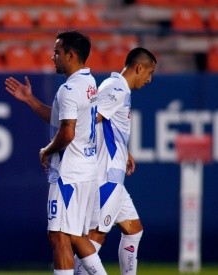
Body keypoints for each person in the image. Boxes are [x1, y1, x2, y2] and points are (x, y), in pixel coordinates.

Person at [5, 31, 106, 275]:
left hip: (69, 174)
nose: (53, 57)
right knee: (74, 236)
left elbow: (67, 133)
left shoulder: (69, 89)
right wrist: (30, 100)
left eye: (57, 52)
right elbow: (62, 121)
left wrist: (46, 151)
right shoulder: (89, 83)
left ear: (71, 55)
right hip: (86, 171)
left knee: (58, 236)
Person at [73, 47, 157, 275]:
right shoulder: (117, 88)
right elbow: (90, 120)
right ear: (139, 68)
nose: (149, 79)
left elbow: (105, 125)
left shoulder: (119, 89)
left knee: (134, 230)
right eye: (149, 73)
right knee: (95, 238)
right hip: (106, 177)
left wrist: (124, 150)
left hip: (115, 174)